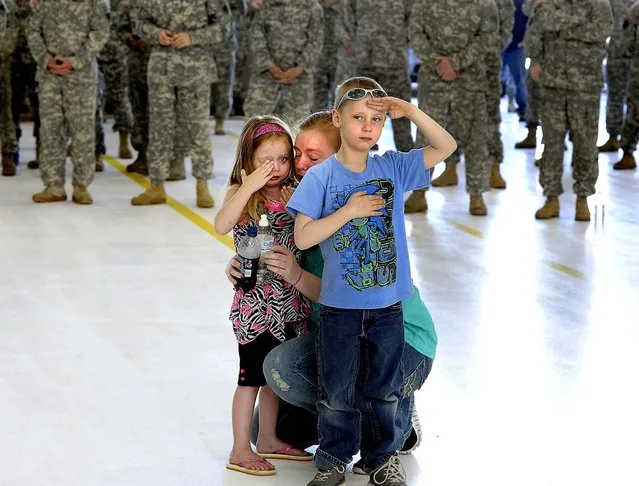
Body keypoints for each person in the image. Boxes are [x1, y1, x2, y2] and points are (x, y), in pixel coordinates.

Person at [226, 110, 439, 474]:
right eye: (297, 153)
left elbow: (342, 291)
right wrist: (239, 264)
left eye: (315, 157)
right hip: (339, 335)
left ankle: (394, 417)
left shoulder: (352, 203)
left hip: (397, 338)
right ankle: (360, 417)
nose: (298, 164)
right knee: (270, 428)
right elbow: (257, 237)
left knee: (283, 367)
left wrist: (294, 275)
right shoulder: (300, 201)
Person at [286, 77, 456, 486]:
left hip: (387, 306)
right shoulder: (322, 177)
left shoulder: (393, 167)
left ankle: (382, 459)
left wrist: (410, 111)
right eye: (358, 117)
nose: (367, 127)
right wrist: (350, 211)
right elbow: (303, 236)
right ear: (337, 119)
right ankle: (332, 461)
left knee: (383, 389)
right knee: (337, 390)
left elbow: (446, 146)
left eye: (376, 120)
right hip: (339, 308)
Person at [214, 116, 314, 476]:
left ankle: (268, 438)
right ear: (248, 161)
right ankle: (240, 447)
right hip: (256, 306)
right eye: (265, 161)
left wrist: (298, 203)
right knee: (250, 379)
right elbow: (222, 225)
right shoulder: (243, 195)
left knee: (272, 377)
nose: (275, 168)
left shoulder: (293, 192)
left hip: (289, 304)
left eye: (283, 159)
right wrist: (247, 185)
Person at [409, 0, 497, 216]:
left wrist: (455, 62)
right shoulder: (424, 4)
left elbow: (486, 37)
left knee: (475, 138)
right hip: (433, 78)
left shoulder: (483, 5)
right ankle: (418, 194)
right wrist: (437, 63)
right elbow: (416, 34)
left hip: (469, 80)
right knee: (425, 139)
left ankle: (477, 195)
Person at [526, 0, 613, 221]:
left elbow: (601, 30)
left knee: (585, 144)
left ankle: (582, 199)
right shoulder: (548, 3)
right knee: (552, 145)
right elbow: (536, 30)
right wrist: (536, 59)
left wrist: (559, 25)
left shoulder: (599, 4)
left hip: (585, 86)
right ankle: (551, 198)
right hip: (553, 83)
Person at [130, 0, 220, 208]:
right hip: (162, 67)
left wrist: (193, 37)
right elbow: (138, 21)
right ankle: (156, 186)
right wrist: (155, 34)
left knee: (197, 127)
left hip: (195, 67)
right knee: (160, 128)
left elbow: (223, 27)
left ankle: (202, 185)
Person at [26, 0, 110, 204]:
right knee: (51, 131)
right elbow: (32, 30)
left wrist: (76, 61)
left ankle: (81, 187)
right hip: (49, 76)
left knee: (82, 132)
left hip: (81, 76)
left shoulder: (94, 3)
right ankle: (53, 186)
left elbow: (100, 33)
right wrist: (46, 60)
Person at [243, 0, 324, 123]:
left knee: (297, 126)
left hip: (299, 77)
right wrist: (269, 66)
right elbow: (256, 36)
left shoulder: (312, 6)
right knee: (255, 123)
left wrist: (300, 67)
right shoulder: (265, 4)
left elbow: (316, 40)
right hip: (265, 74)